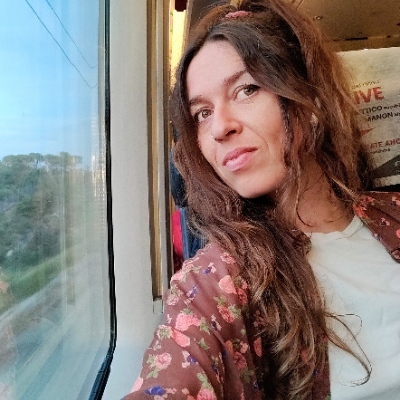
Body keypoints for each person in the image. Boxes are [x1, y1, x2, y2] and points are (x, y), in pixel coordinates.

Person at [124, 0, 400, 399]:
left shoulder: (390, 214)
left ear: (310, 99)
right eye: (202, 113)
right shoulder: (216, 282)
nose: (219, 128)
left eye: (246, 89)